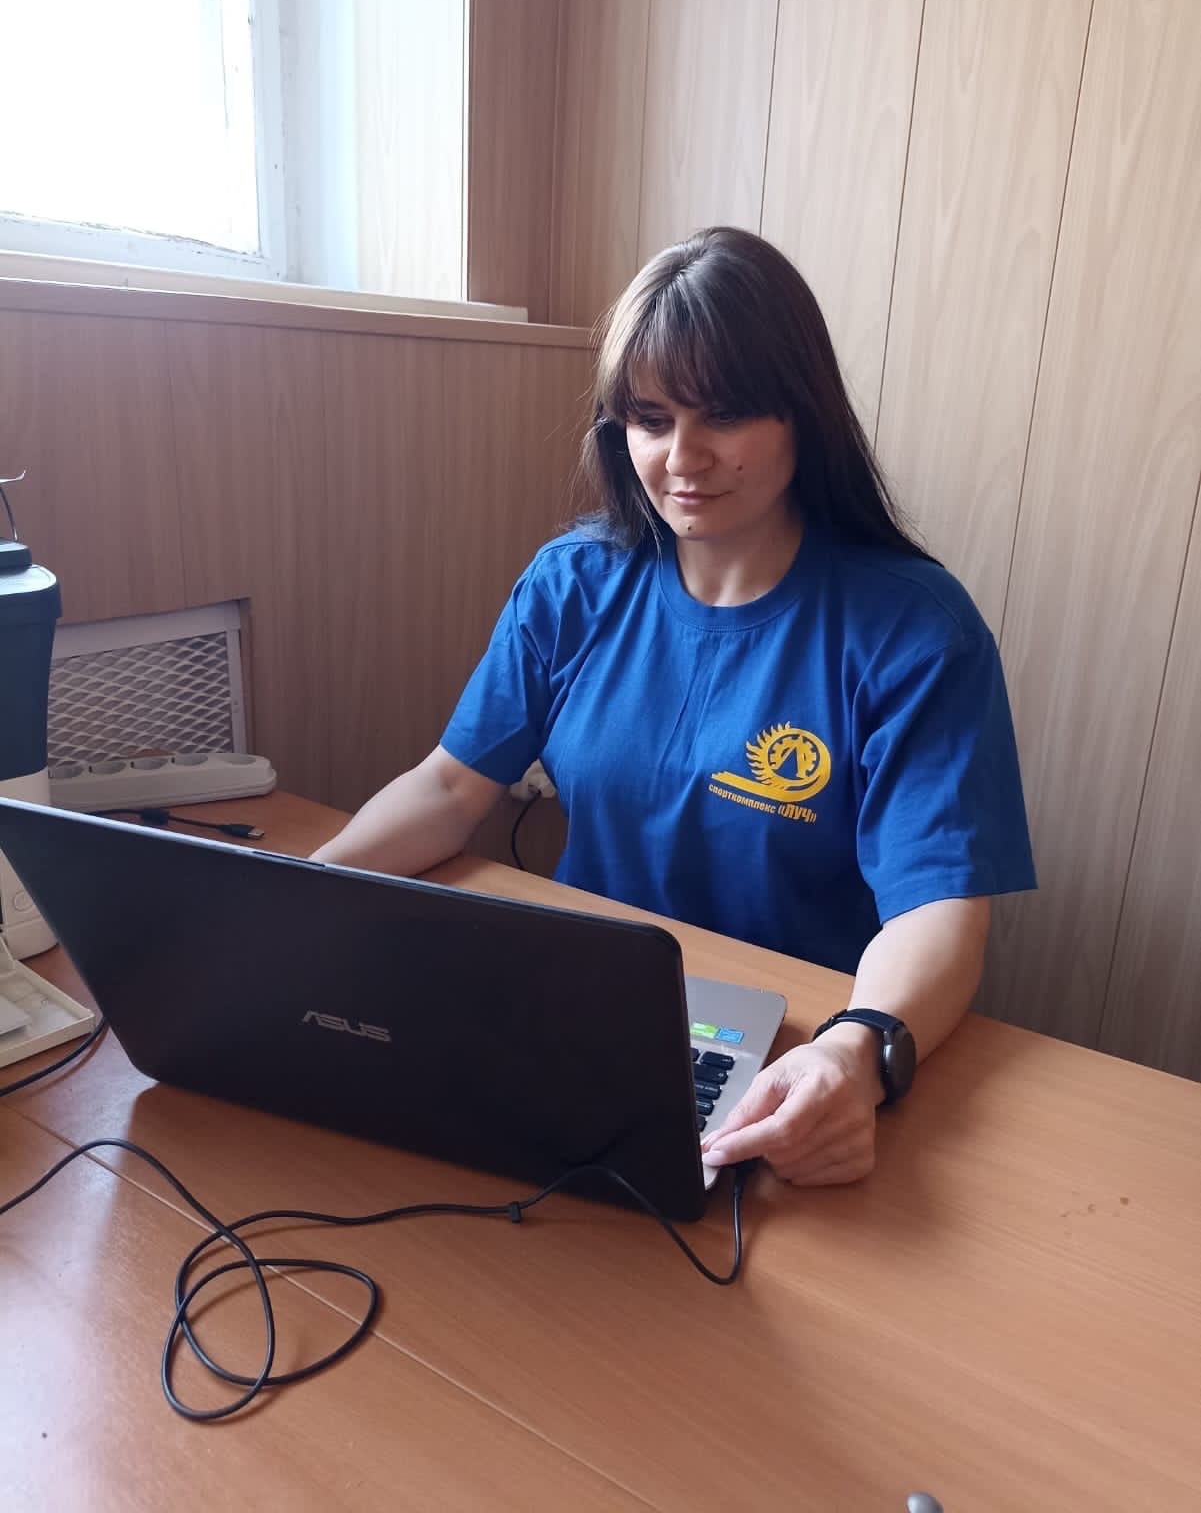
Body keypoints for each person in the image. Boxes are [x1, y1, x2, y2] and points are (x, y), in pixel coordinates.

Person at [313, 226, 1036, 1187]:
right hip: (584, 1007)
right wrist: (295, 896)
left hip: (795, 1040)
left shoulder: (913, 629)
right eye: (650, 419)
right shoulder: (573, 581)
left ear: (802, 415)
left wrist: (853, 1050)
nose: (681, 458)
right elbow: (449, 788)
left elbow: (939, 908)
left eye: (722, 414)